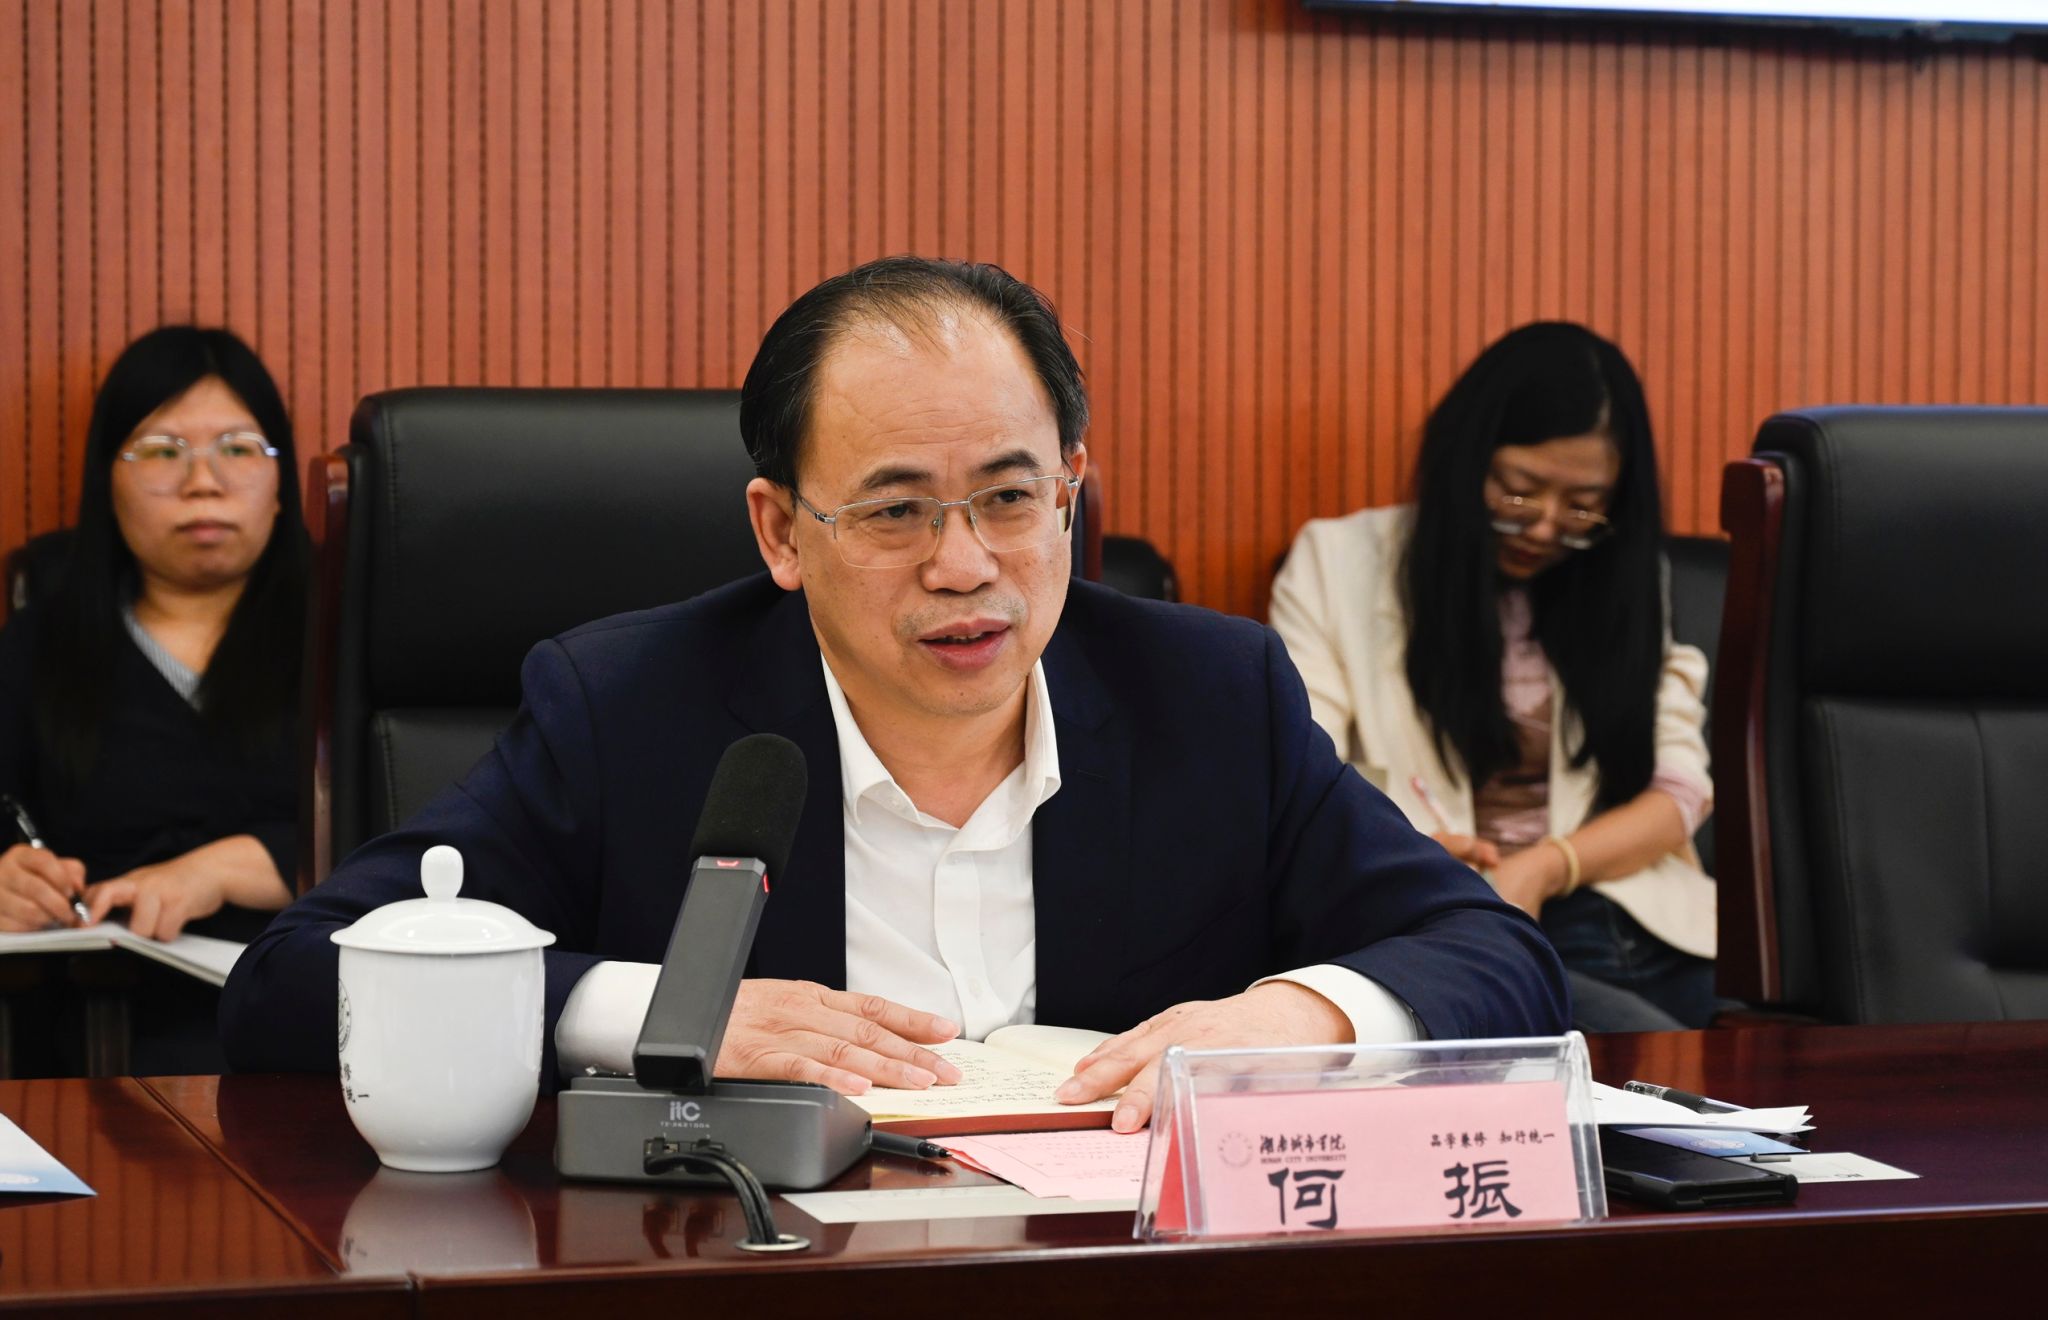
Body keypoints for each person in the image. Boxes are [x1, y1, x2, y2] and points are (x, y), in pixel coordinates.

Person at [221, 257, 1566, 1130]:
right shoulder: (629, 708)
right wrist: (660, 1013)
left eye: (1010, 498)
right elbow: (289, 984)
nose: (965, 565)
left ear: (1071, 490)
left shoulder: (1209, 696)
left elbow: (1493, 953)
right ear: (779, 532)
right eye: (895, 510)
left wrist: (1295, 1020)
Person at [1269, 322, 1716, 1031]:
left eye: (1582, 506)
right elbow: (1302, 768)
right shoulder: (1338, 562)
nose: (1544, 527)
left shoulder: (1627, 580)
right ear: (1467, 461)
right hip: (1432, 910)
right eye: (1518, 493)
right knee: (1622, 1044)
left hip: (1622, 920)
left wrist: (1543, 867)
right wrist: (1418, 848)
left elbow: (1680, 792)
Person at [0, 326, 309, 1070]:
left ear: (281, 484)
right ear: (106, 482)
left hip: (310, 1038)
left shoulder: (348, 633)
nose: (203, 481)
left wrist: (224, 868)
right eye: (163, 451)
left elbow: (419, 824)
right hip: (89, 1048)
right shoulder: (39, 644)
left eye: (238, 448)